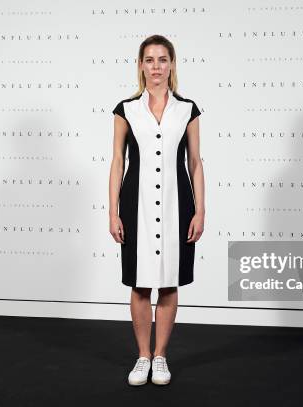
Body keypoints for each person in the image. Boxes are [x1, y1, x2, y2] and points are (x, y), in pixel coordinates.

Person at [108, 35, 205, 386]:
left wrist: (200, 210)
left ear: (172, 65)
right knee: (138, 282)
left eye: (163, 60)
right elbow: (118, 161)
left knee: (168, 282)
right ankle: (142, 356)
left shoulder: (188, 109)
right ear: (140, 66)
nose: (156, 67)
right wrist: (113, 212)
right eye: (149, 60)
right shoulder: (126, 110)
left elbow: (195, 162)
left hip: (178, 203)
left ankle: (160, 356)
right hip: (136, 205)